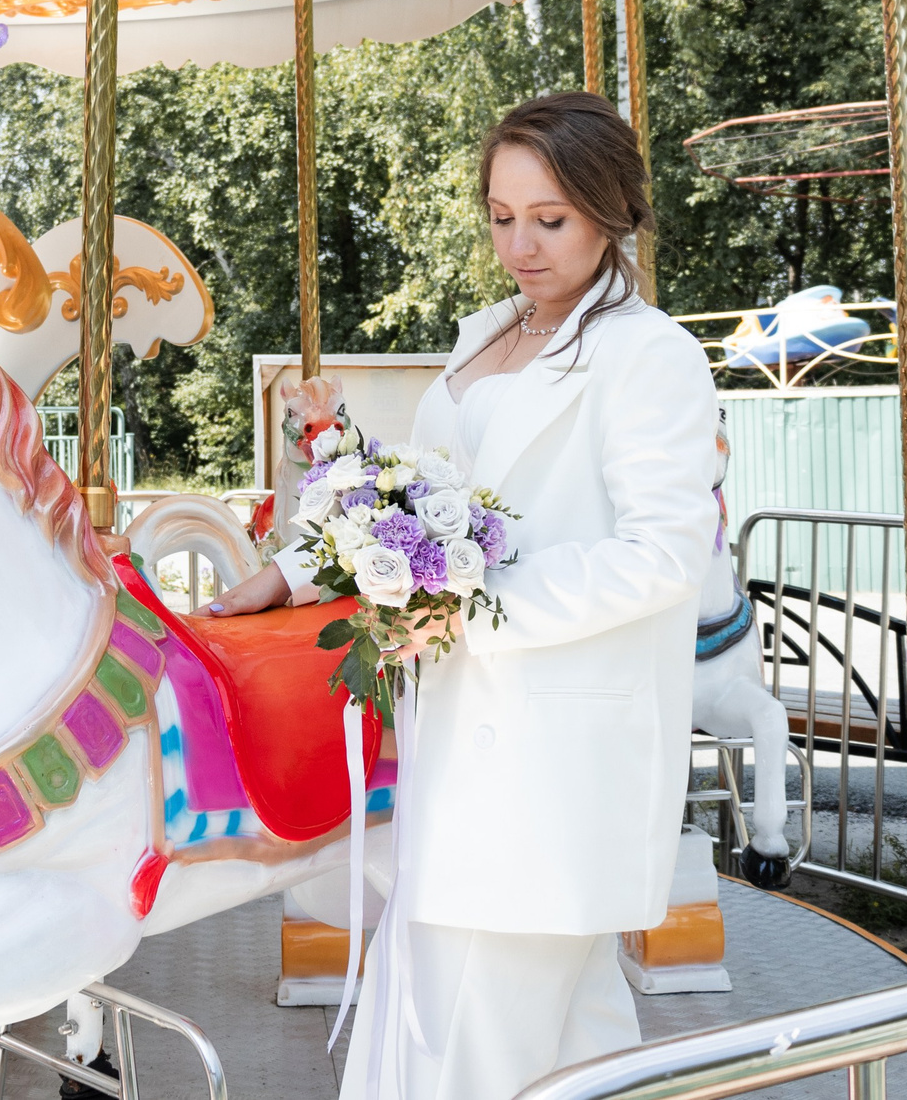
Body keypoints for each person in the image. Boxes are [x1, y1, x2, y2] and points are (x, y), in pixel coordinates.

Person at [207, 91, 717, 1100]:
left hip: (547, 758)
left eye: (550, 219)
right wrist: (296, 569)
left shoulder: (646, 353)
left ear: (611, 211)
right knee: (570, 1050)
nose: (519, 245)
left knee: (457, 1047)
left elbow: (662, 555)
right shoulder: (490, 333)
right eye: (500, 216)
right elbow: (423, 496)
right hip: (464, 737)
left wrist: (472, 609)